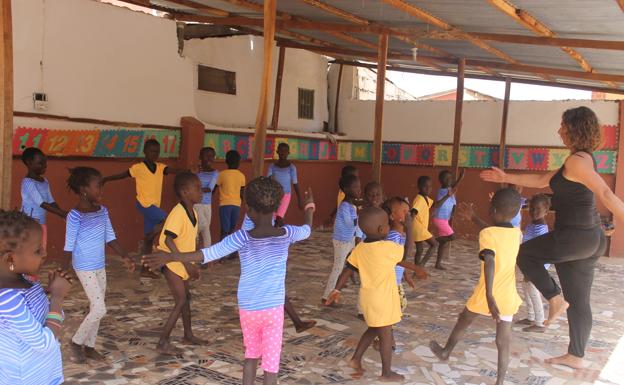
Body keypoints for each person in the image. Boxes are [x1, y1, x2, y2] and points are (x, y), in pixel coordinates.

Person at [481, 106, 624, 369]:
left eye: (563, 126)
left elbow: (604, 194)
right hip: (588, 239)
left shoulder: (577, 161)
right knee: (579, 301)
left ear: (574, 128)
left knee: (525, 253)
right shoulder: (579, 159)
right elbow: (541, 179)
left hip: (576, 236)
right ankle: (576, 356)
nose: (559, 130)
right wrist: (506, 176)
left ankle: (555, 298)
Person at [143, 177, 315, 385]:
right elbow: (307, 228)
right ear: (278, 206)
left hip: (249, 309)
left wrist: (171, 256)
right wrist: (309, 206)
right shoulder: (287, 234)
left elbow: (207, 253)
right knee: (271, 364)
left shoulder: (241, 237)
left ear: (248, 208)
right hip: (273, 310)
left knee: (251, 355)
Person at [429, 188, 523, 385]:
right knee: (503, 341)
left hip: (486, 293)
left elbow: (489, 260)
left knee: (464, 320)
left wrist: (489, 296)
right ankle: (499, 381)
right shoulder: (517, 234)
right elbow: (496, 232)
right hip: (507, 295)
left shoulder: (488, 234)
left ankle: (446, 351)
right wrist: (474, 219)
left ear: (493, 210)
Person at [325, 207, 425, 381]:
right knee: (385, 336)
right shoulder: (387, 247)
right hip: (383, 300)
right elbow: (406, 252)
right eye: (387, 224)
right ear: (381, 230)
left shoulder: (360, 249)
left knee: (374, 328)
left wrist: (336, 289)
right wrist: (409, 227)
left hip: (369, 299)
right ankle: (386, 373)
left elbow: (348, 270)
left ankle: (356, 359)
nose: (389, 226)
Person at [63, 167, 135, 364]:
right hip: (83, 267)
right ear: (84, 189)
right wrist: (65, 269)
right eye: (98, 187)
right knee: (99, 308)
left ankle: (90, 346)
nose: (101, 191)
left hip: (99, 265)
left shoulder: (103, 211)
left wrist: (125, 256)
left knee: (97, 305)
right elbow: (69, 245)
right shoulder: (75, 215)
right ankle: (77, 342)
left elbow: (110, 236)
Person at [0, 210, 73, 385]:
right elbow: (45, 343)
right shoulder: (7, 300)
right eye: (37, 250)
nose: (45, 253)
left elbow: (53, 318)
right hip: (25, 379)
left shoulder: (27, 282)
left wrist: (51, 293)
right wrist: (57, 298)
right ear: (11, 258)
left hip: (45, 372)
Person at [102, 139, 187, 278]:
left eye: (157, 152)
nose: (155, 154)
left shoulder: (160, 167)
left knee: (149, 242)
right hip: (144, 204)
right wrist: (106, 179)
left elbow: (174, 171)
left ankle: (145, 270)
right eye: (152, 151)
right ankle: (147, 238)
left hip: (154, 207)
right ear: (145, 151)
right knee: (168, 219)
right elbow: (122, 175)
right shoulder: (138, 168)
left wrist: (188, 171)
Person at [155, 172, 209, 354]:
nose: (201, 192)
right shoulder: (178, 213)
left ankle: (188, 335)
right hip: (171, 262)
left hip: (181, 261)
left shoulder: (192, 211)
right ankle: (163, 341)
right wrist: (186, 264)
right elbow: (169, 239)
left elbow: (188, 239)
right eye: (197, 188)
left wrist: (191, 262)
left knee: (186, 300)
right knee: (180, 301)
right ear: (185, 192)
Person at [322, 173, 362, 304]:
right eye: (355, 187)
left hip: (349, 240)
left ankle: (340, 287)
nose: (358, 190)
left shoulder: (353, 206)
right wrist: (362, 217)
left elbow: (356, 228)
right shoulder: (344, 206)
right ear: (346, 190)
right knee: (338, 268)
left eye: (359, 187)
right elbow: (351, 223)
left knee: (353, 264)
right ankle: (326, 296)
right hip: (341, 241)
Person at [20, 147, 67, 253]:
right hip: (28, 223)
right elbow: (41, 203)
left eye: (45, 163)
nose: (44, 166)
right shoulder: (27, 183)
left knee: (40, 252)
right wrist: (63, 213)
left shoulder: (44, 181)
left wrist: (62, 215)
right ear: (29, 163)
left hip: (41, 223)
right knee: (28, 252)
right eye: (40, 163)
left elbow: (50, 200)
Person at [516, 194, 551, 333]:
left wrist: (533, 271)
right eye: (531, 209)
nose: (534, 212)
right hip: (529, 263)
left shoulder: (541, 228)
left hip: (537, 265)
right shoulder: (533, 224)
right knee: (526, 288)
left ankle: (540, 322)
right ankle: (531, 316)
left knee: (533, 291)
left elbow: (541, 250)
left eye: (538, 209)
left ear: (546, 212)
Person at [431, 169, 465, 270]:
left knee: (444, 242)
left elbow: (453, 204)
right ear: (441, 181)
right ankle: (434, 241)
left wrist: (452, 215)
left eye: (450, 178)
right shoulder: (443, 190)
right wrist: (460, 178)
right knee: (452, 237)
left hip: (445, 219)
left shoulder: (450, 191)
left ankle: (438, 264)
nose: (449, 180)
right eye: (446, 179)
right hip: (439, 219)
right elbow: (454, 187)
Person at [268, 143, 303, 226]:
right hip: (274, 196)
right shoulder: (272, 166)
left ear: (288, 153)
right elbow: (268, 181)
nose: (283, 153)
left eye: (285, 151)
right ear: (277, 152)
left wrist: (299, 199)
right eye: (281, 151)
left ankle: (284, 234)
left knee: (279, 218)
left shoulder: (291, 168)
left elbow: (295, 183)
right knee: (274, 219)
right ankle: (284, 234)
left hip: (286, 195)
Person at [411, 176, 442, 267]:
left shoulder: (425, 198)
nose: (428, 189)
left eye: (430, 186)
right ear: (419, 187)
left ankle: (416, 269)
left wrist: (447, 196)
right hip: (418, 227)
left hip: (418, 227)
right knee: (434, 244)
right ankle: (421, 266)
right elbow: (413, 212)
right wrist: (408, 228)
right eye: (425, 186)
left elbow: (436, 204)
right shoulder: (420, 199)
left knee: (419, 250)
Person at [216, 150, 246, 240]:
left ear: (226, 161)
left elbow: (214, 187)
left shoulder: (221, 174)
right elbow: (242, 193)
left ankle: (222, 251)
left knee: (224, 229)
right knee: (232, 229)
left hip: (224, 205)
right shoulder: (241, 176)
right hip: (236, 205)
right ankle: (230, 250)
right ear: (239, 162)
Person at [195, 147, 219, 248]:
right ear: (200, 157)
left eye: (212, 156)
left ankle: (205, 256)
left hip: (207, 204)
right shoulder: (196, 170)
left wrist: (196, 190)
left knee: (203, 229)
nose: (209, 158)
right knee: (204, 226)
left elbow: (210, 188)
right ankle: (207, 254)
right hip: (196, 203)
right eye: (206, 156)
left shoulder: (215, 173)